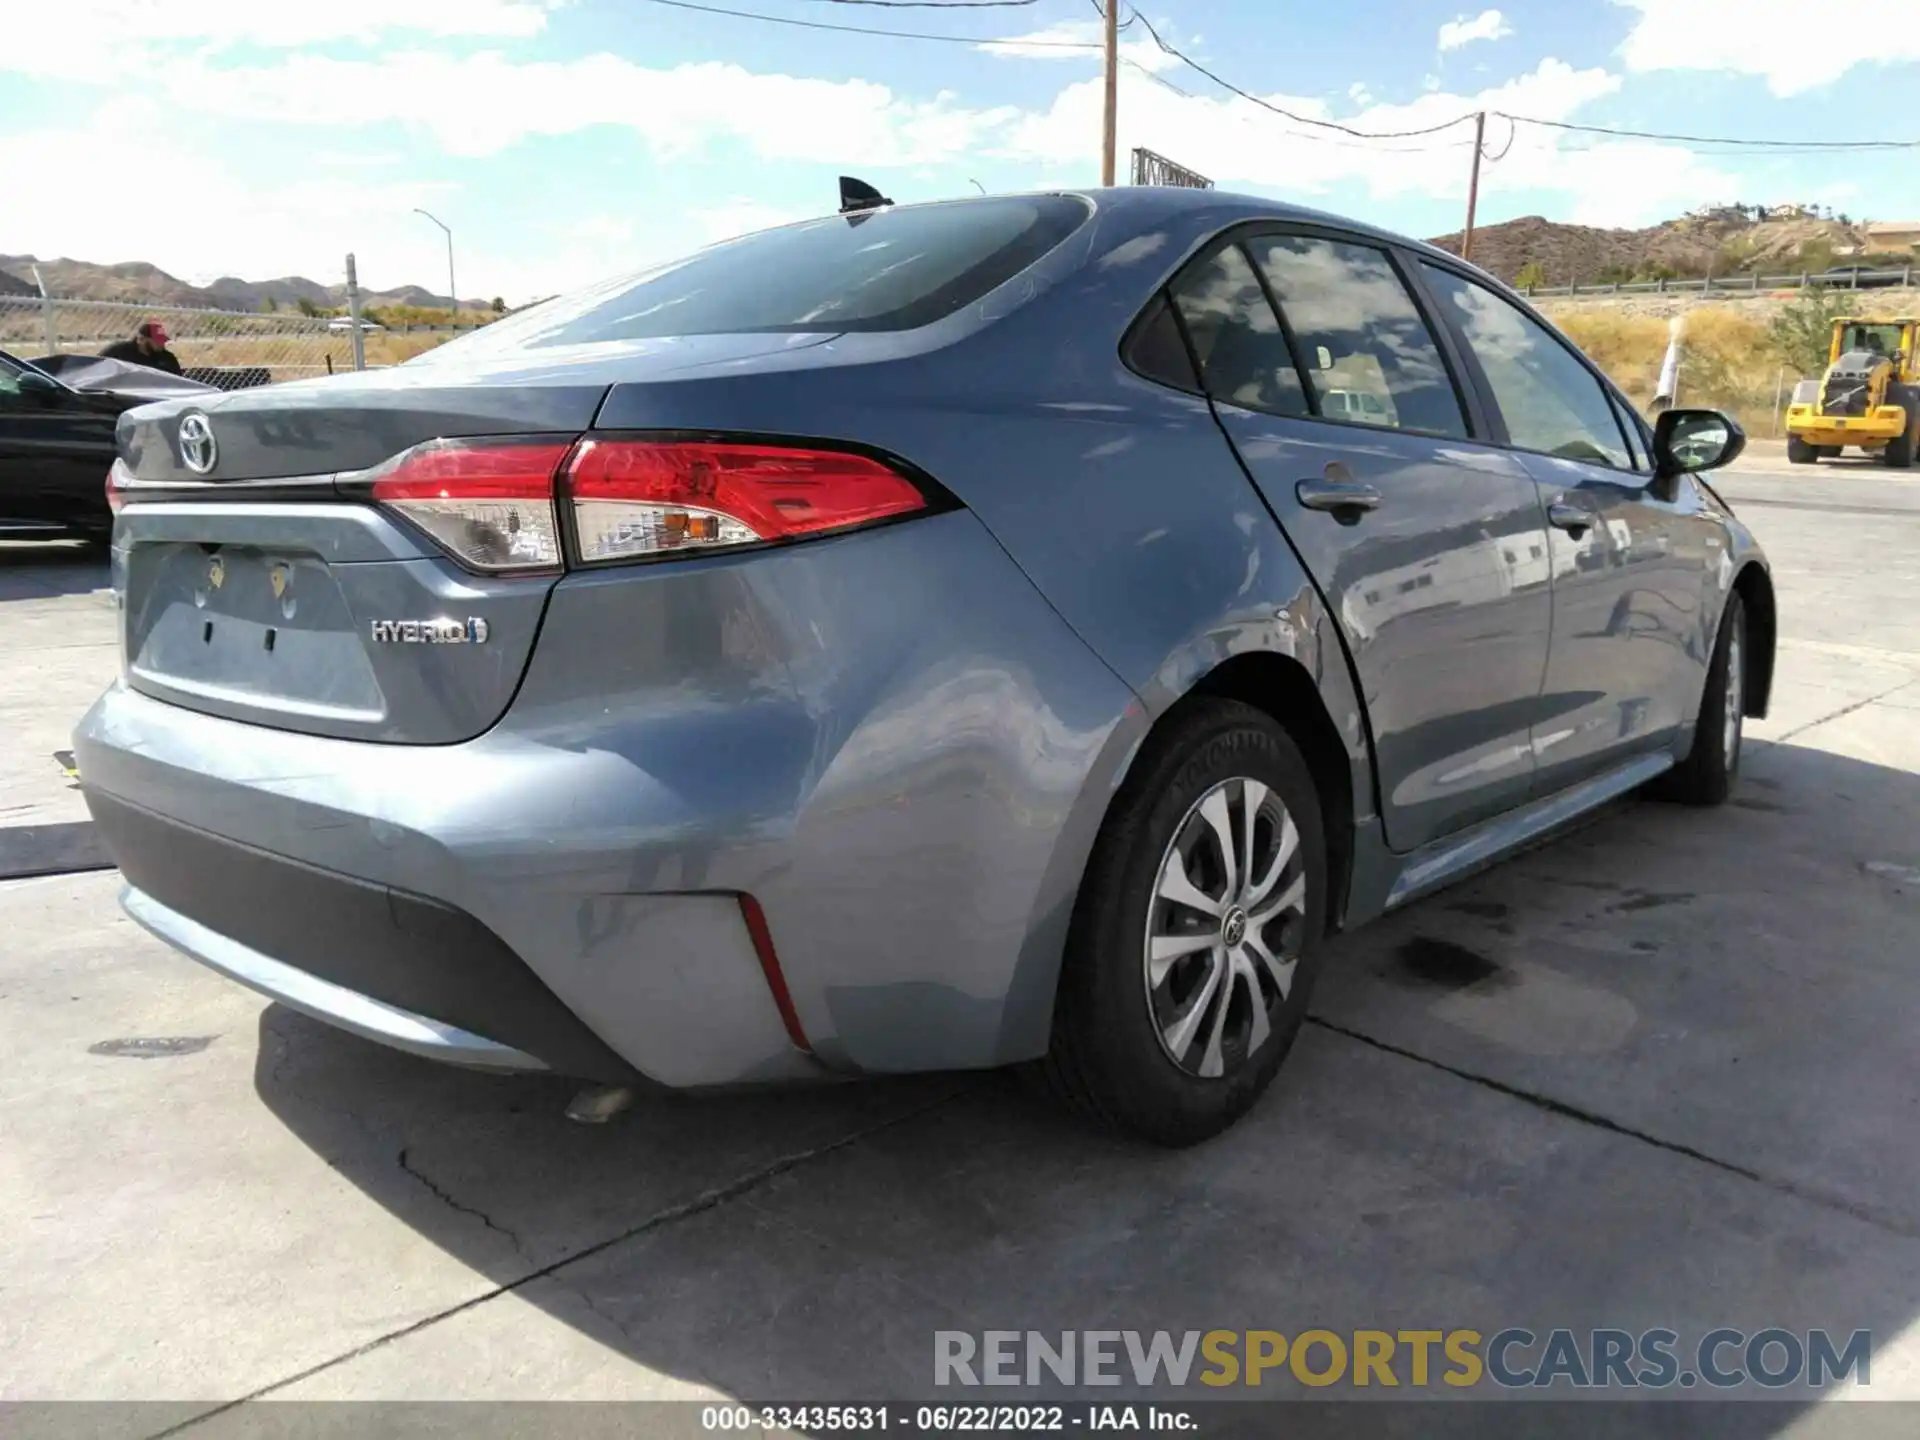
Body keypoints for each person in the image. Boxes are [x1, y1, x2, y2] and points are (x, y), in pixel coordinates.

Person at [99, 320, 183, 375]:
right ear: (141, 339)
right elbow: (96, 369)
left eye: (163, 340)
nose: (162, 344)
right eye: (157, 341)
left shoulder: (167, 358)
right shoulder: (118, 352)